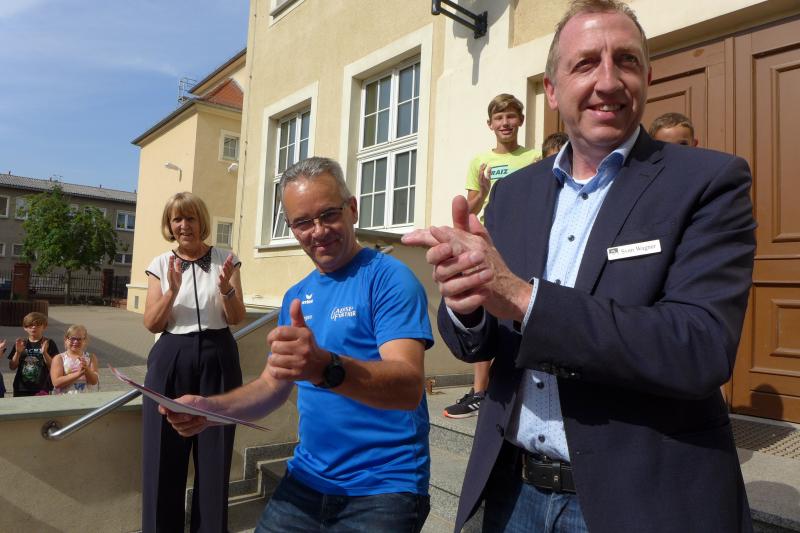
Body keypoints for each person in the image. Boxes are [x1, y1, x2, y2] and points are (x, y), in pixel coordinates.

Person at [403, 1, 756, 532]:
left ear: (647, 78)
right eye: (586, 63)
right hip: (513, 492)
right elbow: (479, 343)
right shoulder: (514, 192)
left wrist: (524, 299)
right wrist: (466, 302)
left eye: (627, 61)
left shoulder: (708, 181)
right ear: (551, 89)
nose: (608, 81)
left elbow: (699, 346)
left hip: (638, 500)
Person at [161, 157, 434, 533]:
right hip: (307, 479)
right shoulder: (297, 296)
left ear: (352, 210)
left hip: (384, 488)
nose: (318, 231)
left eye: (329, 215)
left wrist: (326, 367)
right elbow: (272, 387)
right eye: (303, 222)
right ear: (291, 227)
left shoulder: (390, 279)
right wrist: (210, 409)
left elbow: (408, 387)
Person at [141, 191, 246, 533]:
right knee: (163, 454)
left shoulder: (226, 259)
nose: (184, 225)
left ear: (202, 221)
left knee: (215, 453)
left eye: (190, 218)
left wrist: (226, 289)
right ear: (169, 225)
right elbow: (152, 323)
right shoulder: (160, 263)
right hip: (172, 355)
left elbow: (236, 318)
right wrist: (171, 290)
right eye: (177, 219)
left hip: (219, 355)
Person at [445, 94, 539, 419]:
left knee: (521, 309)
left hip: (524, 240)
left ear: (520, 121)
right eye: (499, 118)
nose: (505, 123)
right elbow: (469, 208)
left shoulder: (534, 157)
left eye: (511, 116)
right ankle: (480, 391)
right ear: (490, 124)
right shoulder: (479, 161)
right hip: (488, 241)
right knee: (485, 310)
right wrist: (483, 191)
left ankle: (525, 383)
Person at [7, 312, 59, 397]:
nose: (34, 327)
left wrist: (45, 353)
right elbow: (12, 366)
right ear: (25, 328)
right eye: (30, 325)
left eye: (38, 325)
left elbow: (53, 367)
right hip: (21, 388)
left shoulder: (49, 343)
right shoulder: (21, 343)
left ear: (44, 327)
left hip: (42, 387)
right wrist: (18, 352)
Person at [50, 324, 99, 394]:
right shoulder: (59, 358)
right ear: (66, 339)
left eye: (79, 339)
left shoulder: (91, 357)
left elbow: (94, 381)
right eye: (72, 338)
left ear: (85, 340)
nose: (75, 342)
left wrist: (86, 370)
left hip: (86, 398)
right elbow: (56, 383)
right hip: (65, 398)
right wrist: (79, 374)